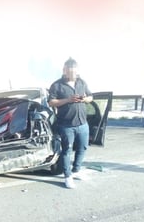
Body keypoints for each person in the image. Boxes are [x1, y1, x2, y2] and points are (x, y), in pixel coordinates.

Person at [48, 57, 93, 189]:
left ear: (77, 71)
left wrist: (85, 99)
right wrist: (68, 99)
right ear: (64, 70)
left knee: (82, 148)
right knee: (66, 150)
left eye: (74, 72)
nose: (72, 74)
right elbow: (51, 102)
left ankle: (76, 170)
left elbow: (91, 97)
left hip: (83, 123)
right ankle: (67, 176)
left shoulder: (82, 82)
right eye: (69, 72)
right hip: (66, 125)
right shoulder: (57, 85)